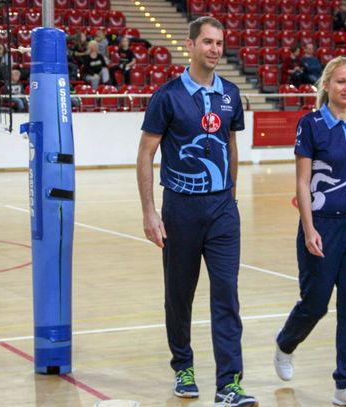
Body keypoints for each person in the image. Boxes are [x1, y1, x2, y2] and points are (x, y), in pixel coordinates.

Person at [136, 16, 258, 407]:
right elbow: (145, 153)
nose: (215, 49)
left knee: (226, 294)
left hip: (222, 210)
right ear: (190, 45)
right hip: (180, 209)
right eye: (207, 42)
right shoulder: (167, 96)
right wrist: (150, 212)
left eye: (219, 43)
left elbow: (231, 146)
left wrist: (232, 197)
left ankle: (229, 384)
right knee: (179, 295)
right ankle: (183, 367)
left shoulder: (231, 94)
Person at [273, 57, 346, 407]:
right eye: (341, 82)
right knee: (315, 303)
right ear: (327, 85)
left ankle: (345, 384)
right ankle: (286, 342)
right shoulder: (311, 124)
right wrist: (309, 229)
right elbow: (302, 182)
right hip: (322, 226)